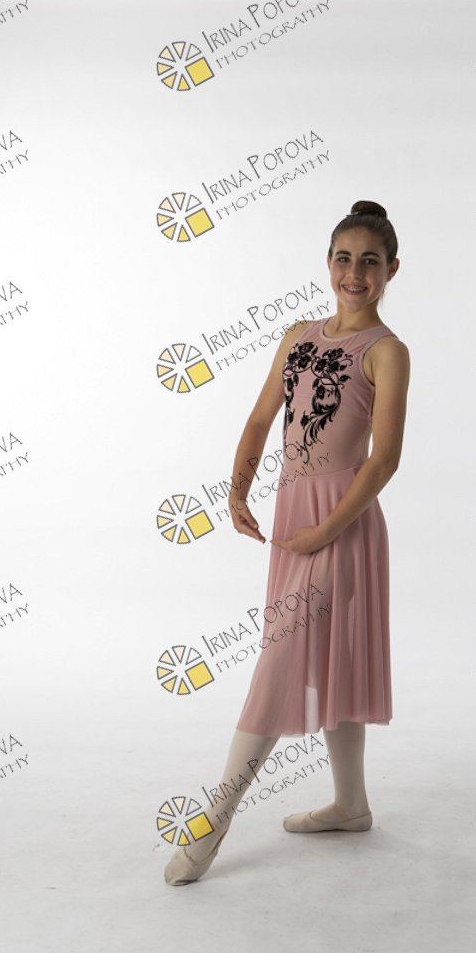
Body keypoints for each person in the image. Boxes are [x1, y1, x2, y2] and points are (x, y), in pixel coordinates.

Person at [164, 199, 410, 885]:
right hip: (293, 515)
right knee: (324, 658)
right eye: (344, 258)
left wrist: (328, 531)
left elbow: (385, 458)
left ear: (391, 270)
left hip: (342, 521)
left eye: (369, 262)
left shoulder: (387, 351)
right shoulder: (298, 335)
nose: (355, 273)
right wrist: (237, 490)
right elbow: (259, 418)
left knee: (280, 661)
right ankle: (351, 805)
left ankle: (214, 819)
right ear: (327, 263)